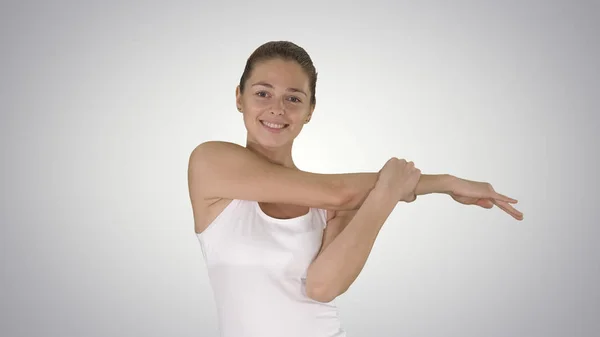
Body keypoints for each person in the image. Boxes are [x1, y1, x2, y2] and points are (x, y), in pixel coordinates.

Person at [187, 41, 523, 337]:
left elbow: (323, 287)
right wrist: (444, 183)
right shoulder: (211, 163)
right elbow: (338, 191)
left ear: (309, 112)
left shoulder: (340, 201)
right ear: (239, 98)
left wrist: (385, 195)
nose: (278, 108)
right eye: (263, 93)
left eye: (294, 98)